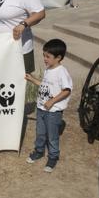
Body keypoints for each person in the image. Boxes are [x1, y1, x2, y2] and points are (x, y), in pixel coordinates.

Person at [25, 39, 72, 172]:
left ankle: (53, 157)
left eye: (48, 57)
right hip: (41, 108)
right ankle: (39, 151)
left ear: (58, 58)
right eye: (44, 55)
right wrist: (32, 79)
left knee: (52, 136)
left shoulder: (62, 72)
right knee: (40, 132)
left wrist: (52, 101)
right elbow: (45, 85)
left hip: (53, 112)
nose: (45, 59)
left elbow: (67, 90)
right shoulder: (48, 69)